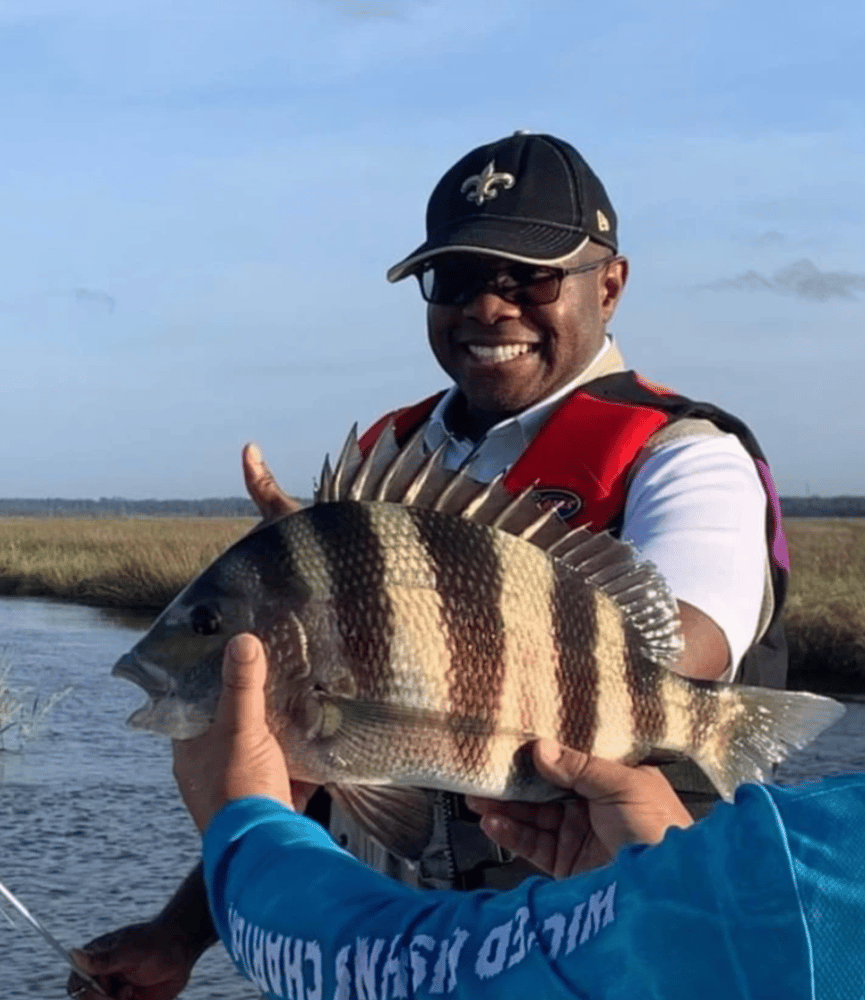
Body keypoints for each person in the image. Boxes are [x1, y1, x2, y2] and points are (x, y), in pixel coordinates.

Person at [68, 131, 791, 997]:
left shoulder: (684, 455)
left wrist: (391, 607)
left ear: (610, 283)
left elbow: (681, 647)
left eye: (529, 275)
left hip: (601, 953)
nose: (489, 306)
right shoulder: (389, 455)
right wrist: (180, 933)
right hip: (389, 951)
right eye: (456, 279)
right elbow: (312, 767)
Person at [77, 635, 864, 1000]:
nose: (490, 302)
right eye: (453, 286)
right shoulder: (803, 863)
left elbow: (421, 975)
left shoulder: (803, 878)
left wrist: (242, 830)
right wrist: (661, 867)